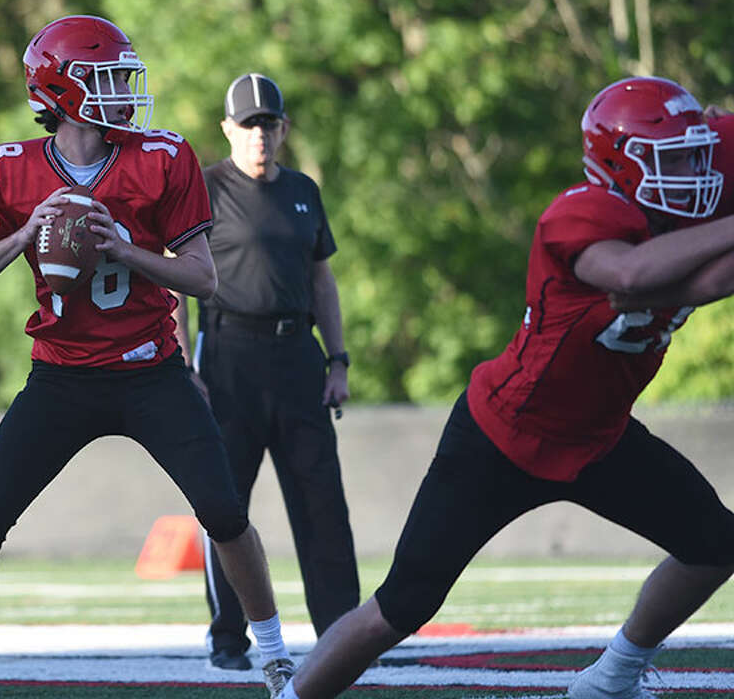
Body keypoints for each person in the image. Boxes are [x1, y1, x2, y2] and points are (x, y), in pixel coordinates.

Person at [280, 75, 734, 699]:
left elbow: (705, 264)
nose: (694, 172)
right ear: (618, 165)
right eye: (673, 159)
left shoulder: (700, 174)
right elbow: (635, 274)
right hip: (504, 436)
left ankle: (612, 678)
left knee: (715, 544)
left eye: (696, 156)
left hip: (600, 439)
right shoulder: (578, 215)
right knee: (400, 607)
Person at [0, 15, 295, 699]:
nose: (123, 92)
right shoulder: (3, 172)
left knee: (222, 510)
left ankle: (275, 660)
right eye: (106, 79)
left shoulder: (162, 157)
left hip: (150, 369)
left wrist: (124, 248)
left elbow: (203, 278)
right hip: (61, 374)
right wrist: (26, 234)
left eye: (123, 78)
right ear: (61, 90)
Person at [170, 73, 357, 671]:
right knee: (226, 506)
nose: (259, 134)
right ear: (227, 128)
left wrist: (338, 359)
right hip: (227, 359)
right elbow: (175, 277)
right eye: (248, 123)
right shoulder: (202, 189)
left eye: (268, 123)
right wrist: (181, 362)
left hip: (297, 358)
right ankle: (229, 639)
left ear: (284, 128)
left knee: (322, 502)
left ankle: (342, 636)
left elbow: (321, 279)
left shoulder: (303, 191)